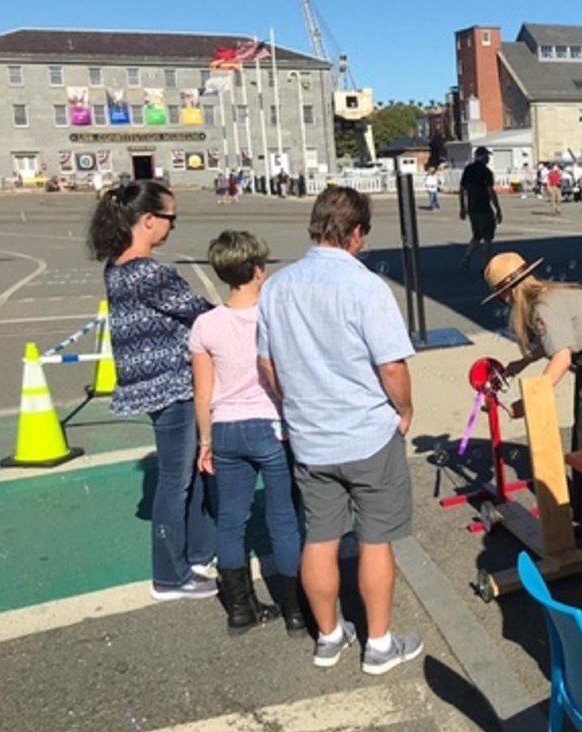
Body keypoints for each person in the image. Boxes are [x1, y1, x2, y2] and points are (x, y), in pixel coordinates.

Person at [258, 186, 422, 674]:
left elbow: (266, 363)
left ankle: (328, 636)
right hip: (366, 430)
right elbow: (391, 365)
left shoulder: (278, 287)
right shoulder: (366, 287)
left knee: (321, 535)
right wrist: (406, 409)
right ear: (356, 233)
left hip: (310, 435)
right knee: (376, 538)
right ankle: (379, 643)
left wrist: (293, 403)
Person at [87, 181, 217, 601]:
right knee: (178, 479)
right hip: (172, 386)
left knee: (191, 470)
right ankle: (170, 575)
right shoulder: (149, 273)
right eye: (170, 220)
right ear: (148, 220)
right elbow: (201, 314)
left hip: (150, 384)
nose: (172, 228)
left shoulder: (117, 266)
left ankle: (199, 552)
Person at [190, 230, 305, 636]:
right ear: (258, 271)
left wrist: (205, 442)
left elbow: (203, 393)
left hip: (226, 428)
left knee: (230, 520)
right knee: (283, 519)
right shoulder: (274, 317)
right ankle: (294, 611)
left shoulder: (205, 325)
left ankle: (240, 609)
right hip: (271, 425)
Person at [482, 252, 582, 538]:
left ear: (508, 292)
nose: (505, 302)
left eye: (503, 296)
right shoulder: (548, 296)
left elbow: (562, 358)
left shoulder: (543, 306)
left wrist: (531, 401)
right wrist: (523, 363)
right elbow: (556, 339)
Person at [459, 146, 502, 269]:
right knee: (488, 238)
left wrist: (463, 207)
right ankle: (486, 266)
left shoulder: (468, 170)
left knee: (477, 235)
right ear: (482, 156)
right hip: (484, 208)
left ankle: (467, 256)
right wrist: (498, 209)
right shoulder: (487, 172)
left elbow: (462, 190)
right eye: (487, 156)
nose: (488, 158)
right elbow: (490, 192)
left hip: (472, 209)